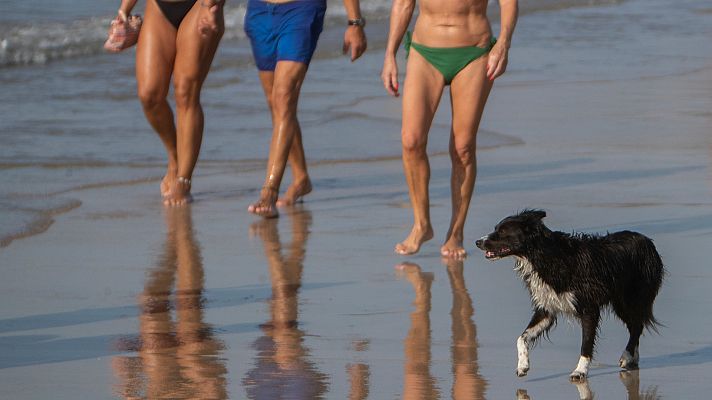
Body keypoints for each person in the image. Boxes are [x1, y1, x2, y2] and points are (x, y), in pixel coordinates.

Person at [381, 0, 518, 258]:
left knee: (463, 147)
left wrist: (503, 43)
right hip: (425, 52)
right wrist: (390, 54)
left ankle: (455, 232)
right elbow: (403, 4)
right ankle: (421, 225)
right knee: (411, 140)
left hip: (474, 52)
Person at [244, 0, 368, 218]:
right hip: (259, 12)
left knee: (283, 96)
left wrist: (355, 23)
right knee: (277, 103)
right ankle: (301, 177)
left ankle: (269, 191)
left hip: (301, 9)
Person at [112, 0, 225, 205]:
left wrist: (213, 7)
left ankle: (184, 179)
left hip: (200, 6)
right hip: (159, 7)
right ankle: (175, 157)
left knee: (185, 91)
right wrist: (124, 11)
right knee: (149, 95)